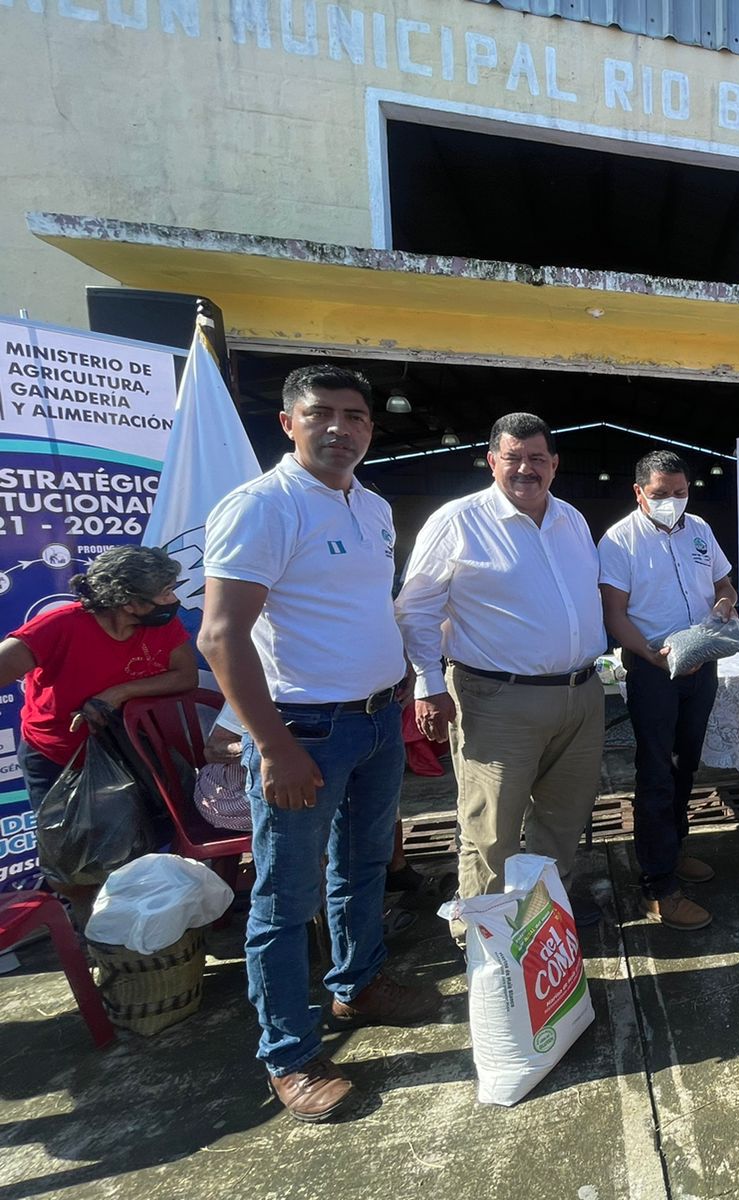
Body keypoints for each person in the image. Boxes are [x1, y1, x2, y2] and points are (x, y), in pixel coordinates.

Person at [199, 363, 439, 1123]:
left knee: (365, 865)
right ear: (288, 423)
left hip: (375, 721)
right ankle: (289, 1054)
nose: (341, 428)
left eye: (356, 416)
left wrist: (403, 681)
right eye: (321, 413)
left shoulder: (371, 505)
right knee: (284, 897)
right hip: (304, 730)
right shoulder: (262, 508)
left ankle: (357, 985)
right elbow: (221, 636)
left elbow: (363, 606)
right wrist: (273, 747)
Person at [395, 413, 606, 926]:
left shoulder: (572, 520)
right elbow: (415, 609)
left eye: (537, 458)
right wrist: (427, 684)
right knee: (491, 829)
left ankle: (544, 922)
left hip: (580, 694)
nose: (525, 468)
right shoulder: (458, 521)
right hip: (496, 699)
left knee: (563, 818)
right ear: (492, 462)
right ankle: (485, 938)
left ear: (554, 464)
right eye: (513, 458)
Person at [0, 546, 197, 901]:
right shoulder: (61, 625)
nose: (173, 600)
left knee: (148, 842)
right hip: (58, 758)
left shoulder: (163, 625)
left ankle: (143, 916)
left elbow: (185, 676)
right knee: (72, 860)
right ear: (128, 602)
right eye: (165, 592)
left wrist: (118, 693)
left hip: (131, 754)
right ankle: (91, 924)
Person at [599, 450, 736, 931]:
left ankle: (674, 850)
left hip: (701, 662)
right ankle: (657, 886)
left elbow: (724, 583)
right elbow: (614, 614)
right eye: (660, 494)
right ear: (639, 492)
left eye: (680, 493)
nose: (672, 502)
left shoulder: (699, 529)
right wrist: (652, 655)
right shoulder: (619, 540)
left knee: (685, 764)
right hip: (654, 668)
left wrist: (723, 606)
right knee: (656, 772)